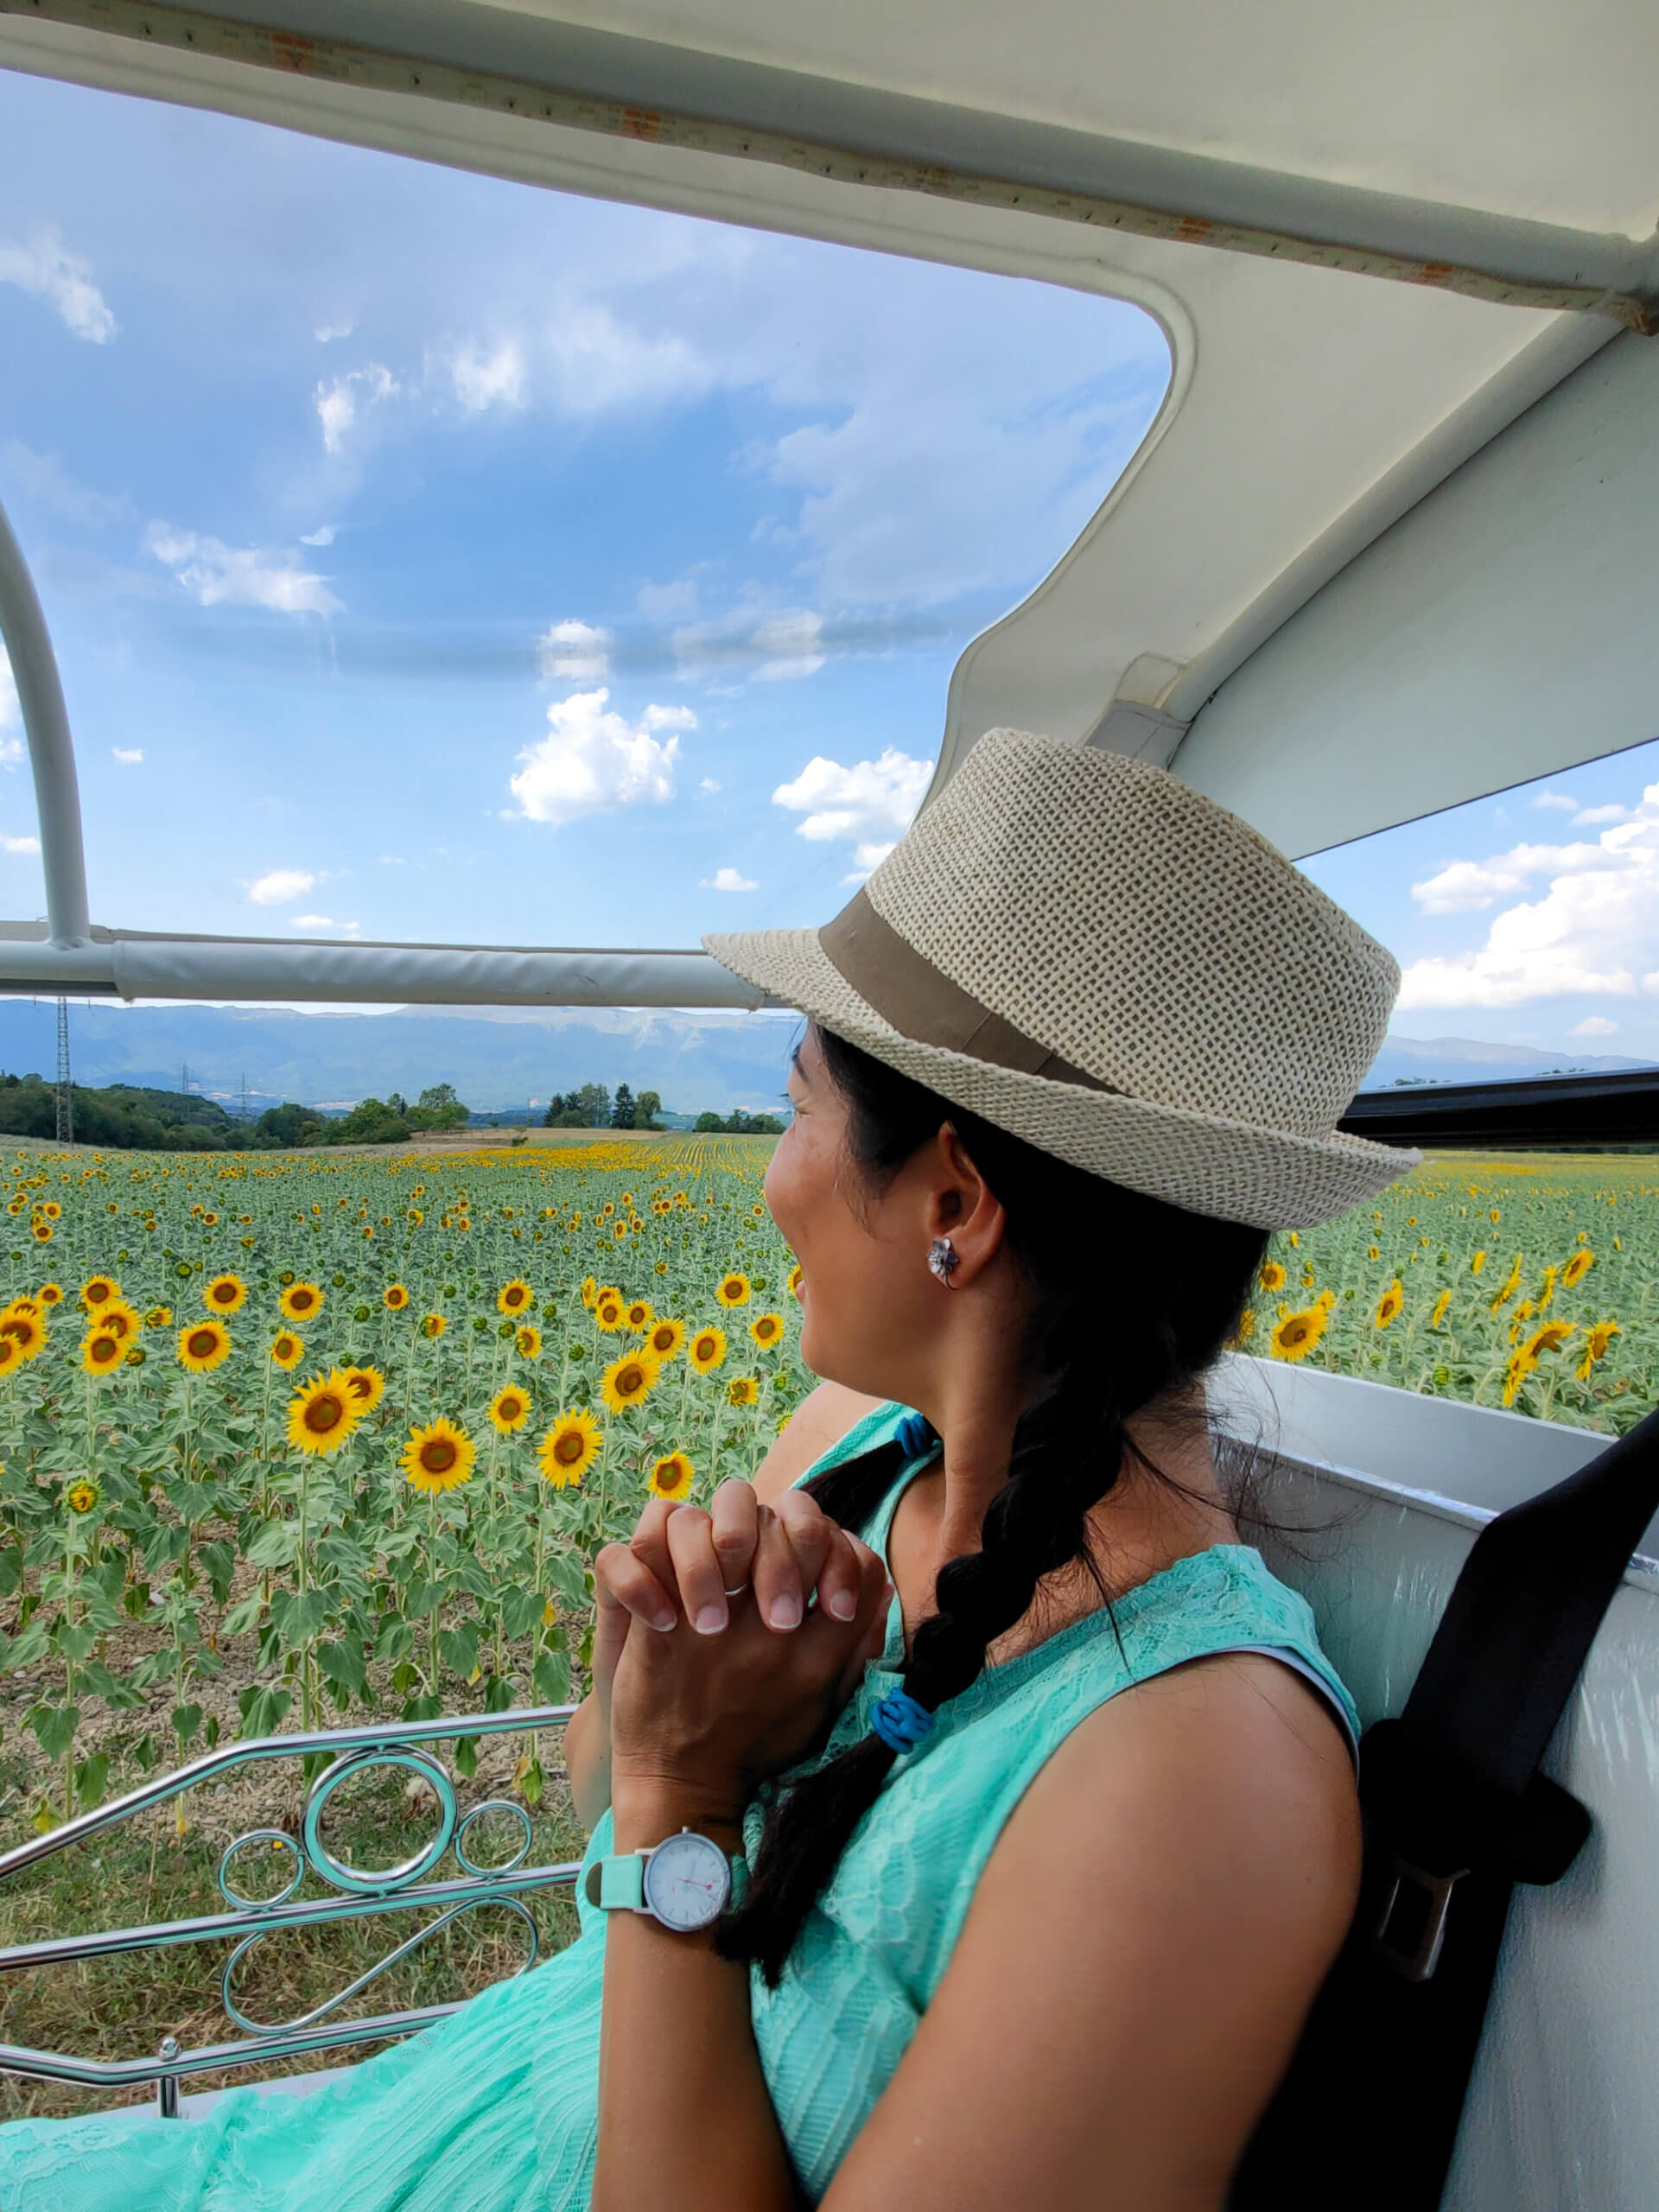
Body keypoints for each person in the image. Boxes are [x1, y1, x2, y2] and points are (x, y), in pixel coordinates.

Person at [0, 728, 1418, 2210]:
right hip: (398, 2132)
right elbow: (594, 1792)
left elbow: (645, 1813)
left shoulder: (1193, 1774)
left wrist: (687, 1791)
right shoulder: (860, 1453)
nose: (771, 1176)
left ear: (954, 1198)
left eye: (798, 1105)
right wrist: (651, 1648)